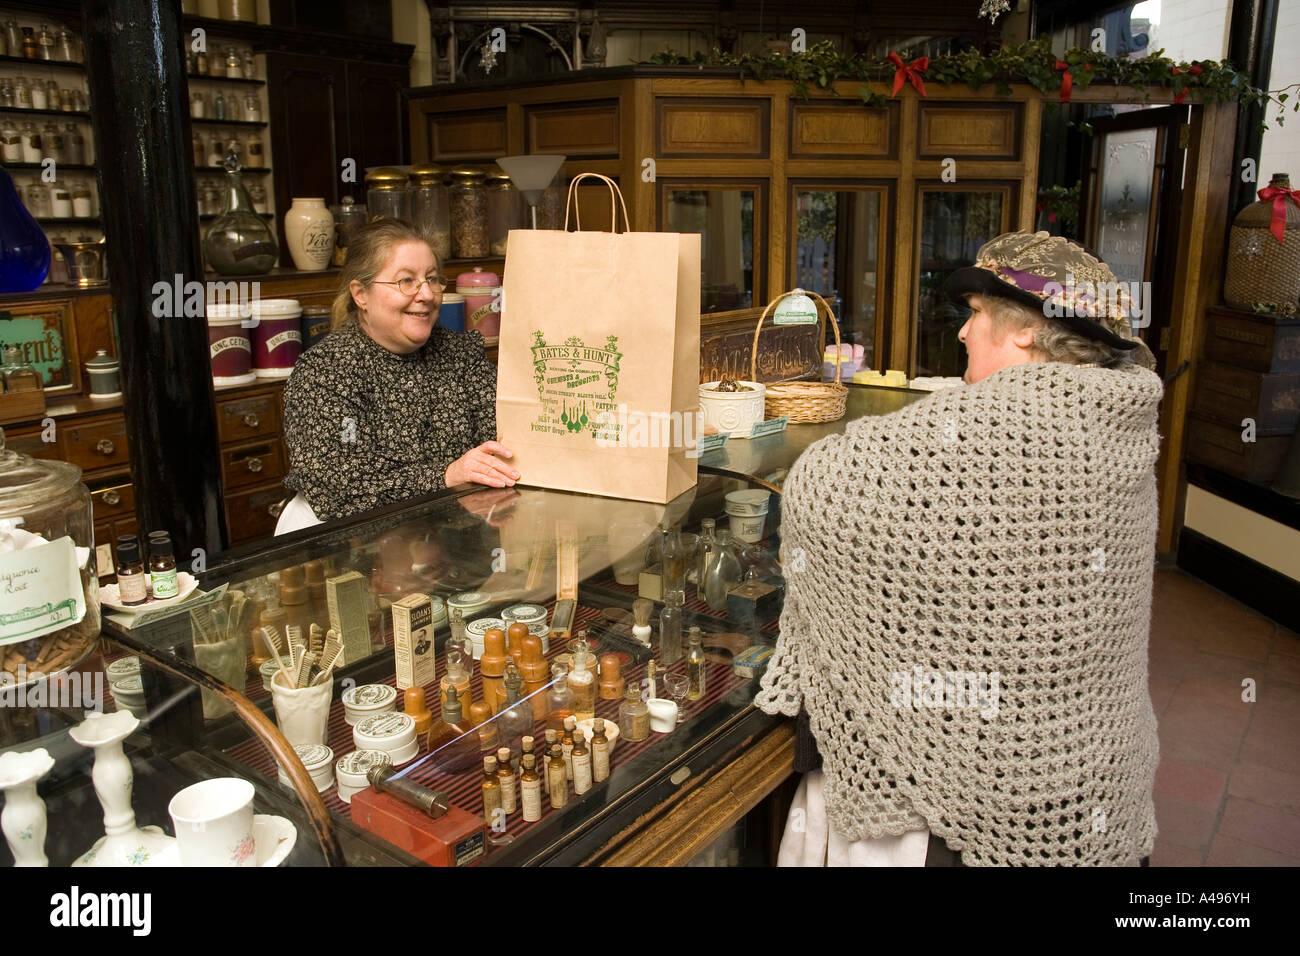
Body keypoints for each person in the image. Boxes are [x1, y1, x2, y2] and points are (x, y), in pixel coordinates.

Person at [756, 231, 1162, 866]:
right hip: (1087, 769)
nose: (963, 333)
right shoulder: (1119, 424)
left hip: (970, 789)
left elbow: (816, 486)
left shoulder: (986, 435)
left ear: (1026, 329)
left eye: (975, 314)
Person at [282, 219, 518, 523]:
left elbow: (505, 441)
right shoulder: (327, 372)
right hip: (360, 550)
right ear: (360, 294)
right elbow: (337, 486)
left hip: (453, 537)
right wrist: (447, 475)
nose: (426, 294)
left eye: (432, 279)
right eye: (406, 281)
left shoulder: (460, 354)